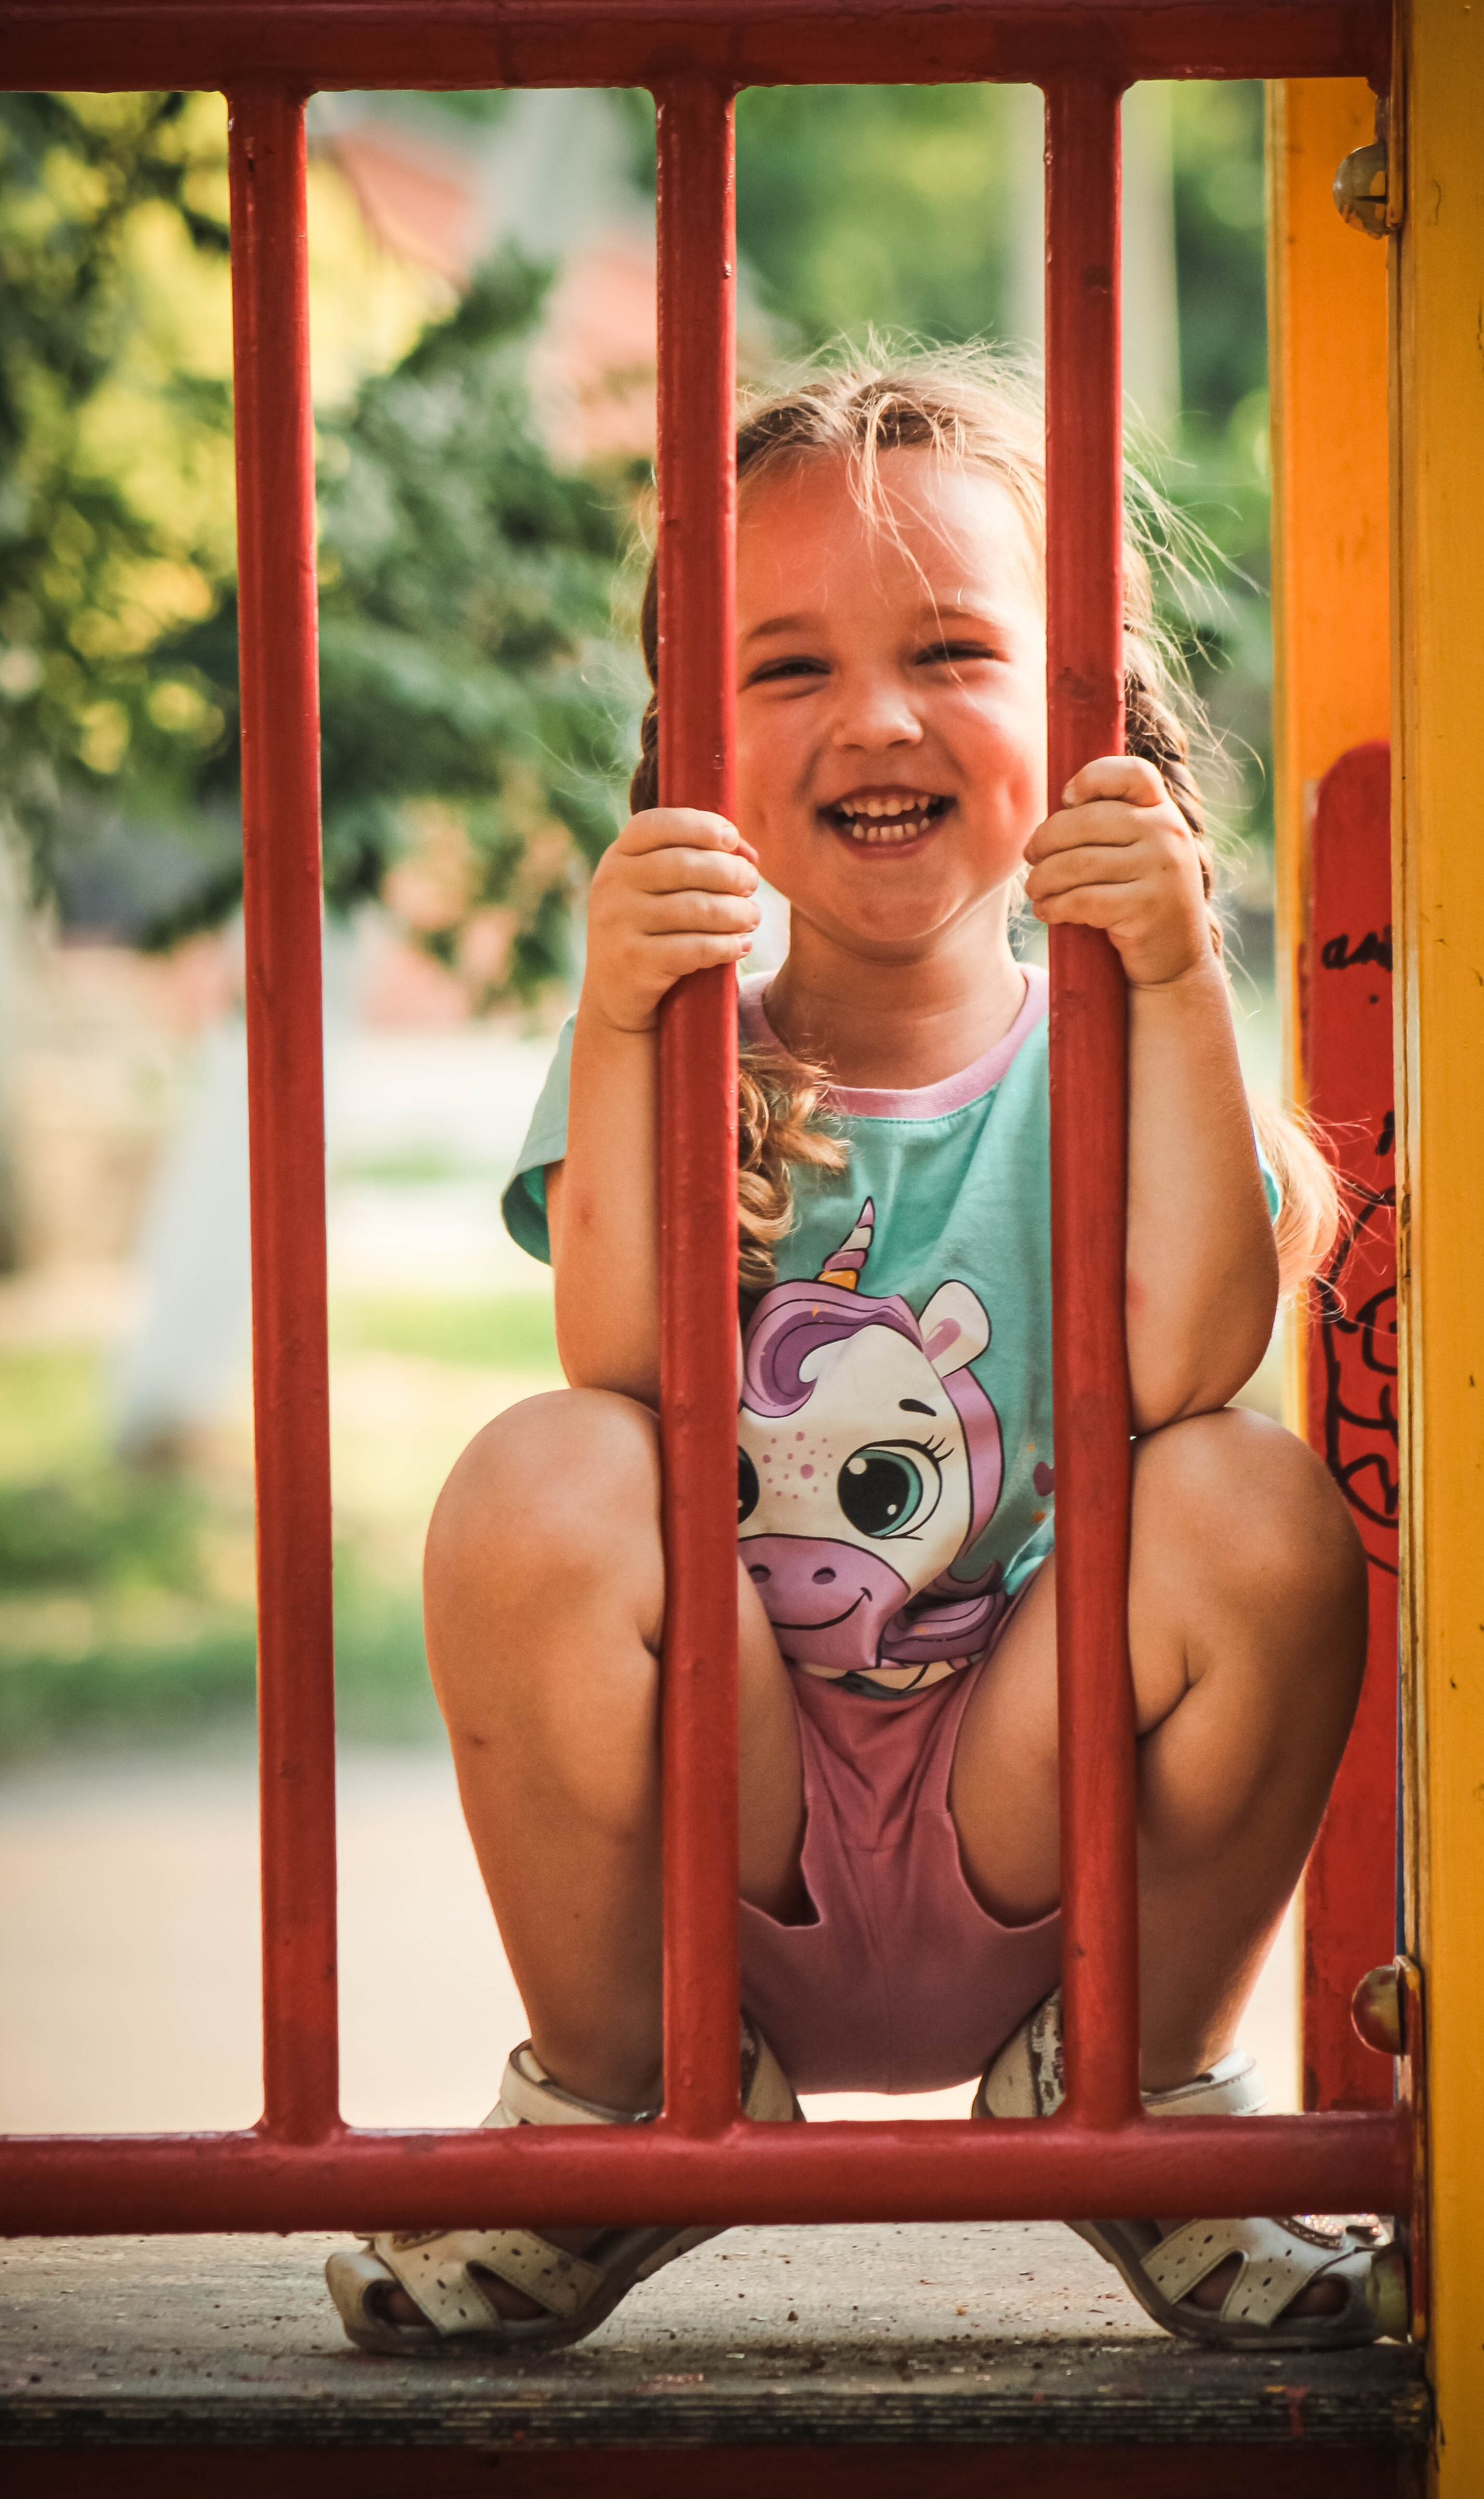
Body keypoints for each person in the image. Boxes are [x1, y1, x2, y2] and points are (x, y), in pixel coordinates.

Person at [326, 351, 1403, 2355]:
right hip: (718, 1848)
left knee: (1256, 1499)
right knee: (537, 1472)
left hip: (1040, 1818)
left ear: (1089, 713)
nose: (878, 717)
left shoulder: (1122, 1040)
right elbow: (623, 1366)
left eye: (952, 652)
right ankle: (628, 2105)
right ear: (693, 740)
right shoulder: (672, 1035)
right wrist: (631, 1015)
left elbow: (1193, 1365)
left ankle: (1140, 2098)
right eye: (791, 666)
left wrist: (1176, 971)